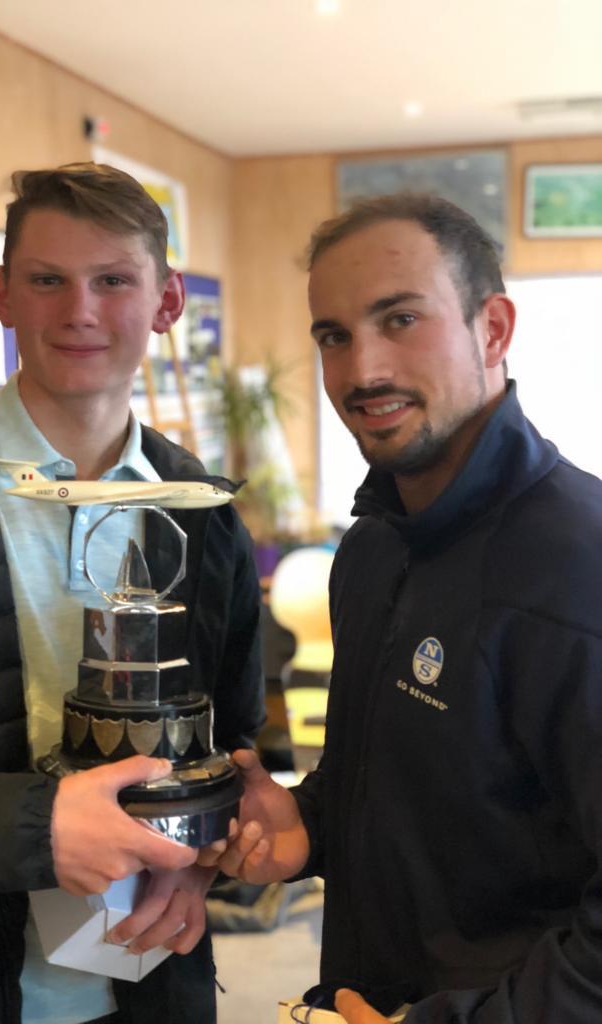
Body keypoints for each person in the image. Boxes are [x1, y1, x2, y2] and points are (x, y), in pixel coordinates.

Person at [0, 162, 265, 1024]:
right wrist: (35, 829)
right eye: (47, 281)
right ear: (1, 294)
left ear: (167, 301)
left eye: (114, 281)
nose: (80, 312)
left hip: (148, 986)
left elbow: (232, 742)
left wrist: (199, 856)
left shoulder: (203, 510)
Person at [201, 194, 602, 1022]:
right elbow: (394, 781)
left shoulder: (577, 568)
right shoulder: (375, 548)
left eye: (401, 320)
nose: (361, 370)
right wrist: (309, 821)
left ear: (492, 329)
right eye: (334, 336)